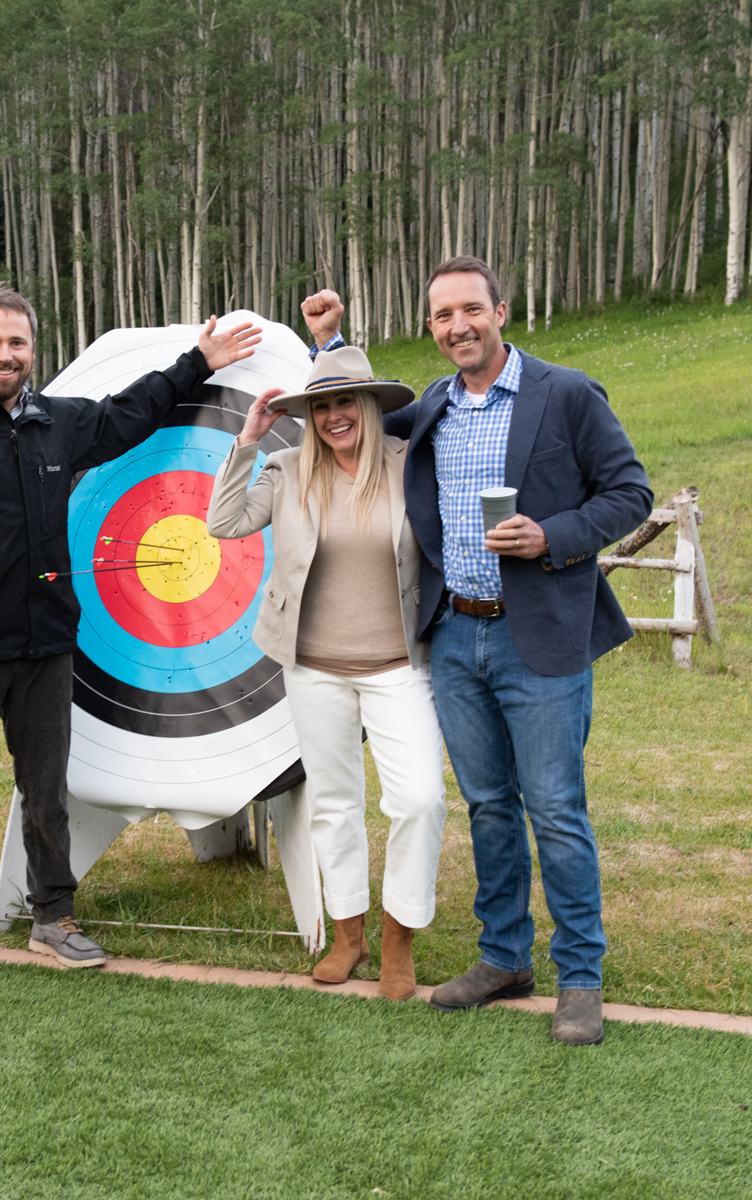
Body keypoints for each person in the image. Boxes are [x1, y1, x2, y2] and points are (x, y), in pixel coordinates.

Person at [0, 288, 261, 991]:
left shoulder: (58, 424)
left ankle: (54, 919)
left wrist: (199, 359)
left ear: (31, 349)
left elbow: (132, 413)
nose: (5, 356)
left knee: (46, 791)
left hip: (45, 647)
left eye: (16, 343)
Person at [304, 258, 652, 1044]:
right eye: (441, 316)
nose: (457, 326)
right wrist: (332, 341)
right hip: (454, 636)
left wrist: (552, 536)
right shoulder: (428, 408)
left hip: (541, 635)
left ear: (502, 309)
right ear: (430, 328)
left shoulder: (564, 393)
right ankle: (504, 957)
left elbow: (630, 492)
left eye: (470, 310)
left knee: (556, 809)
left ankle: (581, 976)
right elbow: (349, 416)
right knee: (490, 806)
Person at [207, 345, 447, 999]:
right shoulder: (286, 471)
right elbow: (222, 522)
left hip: (399, 666)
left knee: (420, 799)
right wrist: (249, 440)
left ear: (369, 405)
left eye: (345, 401)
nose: (334, 415)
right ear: (307, 417)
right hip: (313, 668)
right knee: (334, 805)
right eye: (320, 406)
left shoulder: (409, 467)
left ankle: (400, 938)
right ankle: (350, 935)